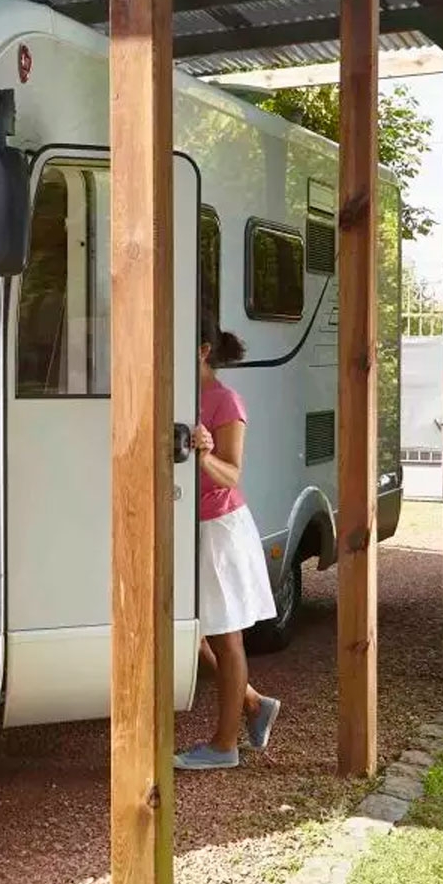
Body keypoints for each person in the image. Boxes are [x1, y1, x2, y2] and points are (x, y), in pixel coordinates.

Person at [174, 316, 281, 771]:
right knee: (191, 631)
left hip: (218, 529)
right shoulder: (178, 396)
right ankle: (254, 703)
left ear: (202, 350)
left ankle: (224, 747)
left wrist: (204, 452)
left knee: (224, 636)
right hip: (186, 524)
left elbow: (232, 474)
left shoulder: (225, 402)